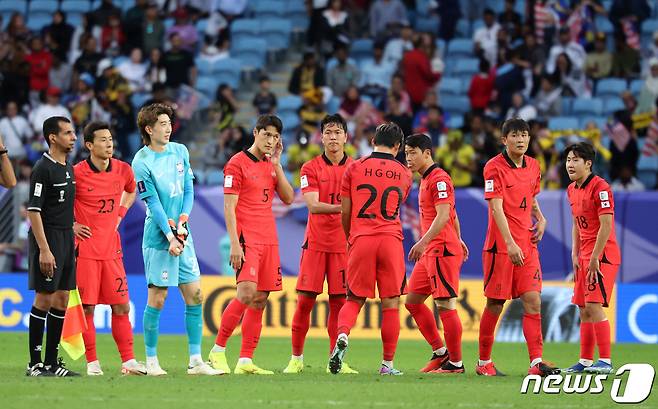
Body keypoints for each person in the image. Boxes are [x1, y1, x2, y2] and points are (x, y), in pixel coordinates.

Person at [131, 103, 220, 376]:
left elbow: (189, 189)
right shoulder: (141, 161)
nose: (168, 128)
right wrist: (170, 235)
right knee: (158, 298)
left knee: (195, 295)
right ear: (149, 129)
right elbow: (153, 204)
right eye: (162, 123)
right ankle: (152, 361)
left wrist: (183, 220)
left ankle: (196, 361)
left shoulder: (180, 151)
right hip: (159, 238)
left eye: (169, 122)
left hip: (182, 235)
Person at [209, 115, 294, 375]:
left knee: (259, 300)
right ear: (255, 133)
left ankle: (245, 360)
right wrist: (235, 244)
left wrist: (278, 165)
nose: (271, 140)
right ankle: (218, 351)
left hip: (269, 238)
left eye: (275, 136)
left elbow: (289, 198)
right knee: (246, 294)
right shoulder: (236, 163)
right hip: (247, 238)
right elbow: (229, 207)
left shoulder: (271, 165)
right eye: (266, 134)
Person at [476, 118, 558, 377]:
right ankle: (483, 363)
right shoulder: (493, 167)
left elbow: (531, 198)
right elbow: (495, 207)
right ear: (504, 140)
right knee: (495, 304)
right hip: (501, 246)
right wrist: (510, 242)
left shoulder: (534, 166)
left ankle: (536, 363)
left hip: (527, 244)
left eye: (524, 135)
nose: (520, 140)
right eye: (515, 135)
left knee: (533, 301)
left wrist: (541, 218)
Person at [329, 122, 412, 375]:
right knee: (390, 303)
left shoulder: (354, 167)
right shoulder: (405, 173)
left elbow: (346, 210)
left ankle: (342, 336)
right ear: (397, 146)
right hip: (390, 240)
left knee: (353, 299)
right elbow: (399, 202)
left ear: (373, 140)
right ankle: (387, 364)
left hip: (361, 237)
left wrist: (350, 236)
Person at [283, 114, 357, 375]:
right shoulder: (310, 168)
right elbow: (313, 206)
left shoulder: (356, 169)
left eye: (338, 132)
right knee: (305, 302)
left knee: (338, 304)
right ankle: (296, 359)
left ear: (346, 137)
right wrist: (345, 208)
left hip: (343, 246)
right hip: (315, 244)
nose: (333, 137)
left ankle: (333, 361)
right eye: (328, 132)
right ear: (321, 137)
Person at [72, 121, 146, 376]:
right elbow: (56, 204)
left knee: (122, 306)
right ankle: (92, 363)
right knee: (87, 308)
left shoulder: (123, 170)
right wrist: (71, 225)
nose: (109, 143)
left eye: (110, 139)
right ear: (89, 145)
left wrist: (120, 213)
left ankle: (129, 362)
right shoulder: (76, 173)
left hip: (112, 251)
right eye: (102, 140)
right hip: (86, 252)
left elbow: (131, 189)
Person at [404, 133, 468, 374]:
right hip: (434, 248)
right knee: (413, 301)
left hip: (440, 248)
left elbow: (443, 215)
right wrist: (459, 237)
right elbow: (452, 213)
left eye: (413, 153)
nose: (408, 158)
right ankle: (441, 353)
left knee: (445, 304)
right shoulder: (426, 179)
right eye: (406, 153)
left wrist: (422, 242)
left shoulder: (439, 179)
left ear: (427, 153)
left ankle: (456, 364)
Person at [25, 116, 79, 377]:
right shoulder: (42, 169)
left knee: (62, 297)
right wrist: (44, 249)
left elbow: (62, 208)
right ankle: (34, 363)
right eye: (68, 133)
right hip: (47, 239)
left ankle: (51, 362)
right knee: (45, 297)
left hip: (67, 238)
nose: (74, 137)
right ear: (53, 137)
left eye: (73, 132)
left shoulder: (67, 167)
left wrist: (73, 228)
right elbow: (33, 211)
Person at [563, 142, 620, 375]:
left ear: (588, 163)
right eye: (568, 160)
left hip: (602, 255)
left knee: (594, 305)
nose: (570, 164)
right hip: (584, 254)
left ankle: (605, 361)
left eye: (575, 160)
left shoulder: (601, 188)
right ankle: (586, 361)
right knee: (583, 308)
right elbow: (577, 223)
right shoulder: (571, 189)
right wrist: (575, 252)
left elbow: (606, 225)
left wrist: (595, 256)